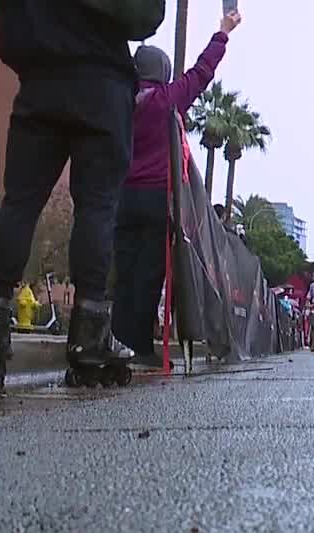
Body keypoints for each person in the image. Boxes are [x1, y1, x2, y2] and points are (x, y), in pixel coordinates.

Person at [0, 0, 166, 390]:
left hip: (40, 82)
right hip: (100, 83)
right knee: (97, 209)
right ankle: (88, 338)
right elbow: (146, 16)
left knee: (20, 202)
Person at [111, 11, 238, 368]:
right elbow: (201, 72)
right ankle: (138, 345)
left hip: (120, 196)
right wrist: (223, 33)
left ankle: (117, 338)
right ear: (163, 72)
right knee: (149, 271)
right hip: (155, 197)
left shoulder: (118, 100)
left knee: (124, 269)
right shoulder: (166, 100)